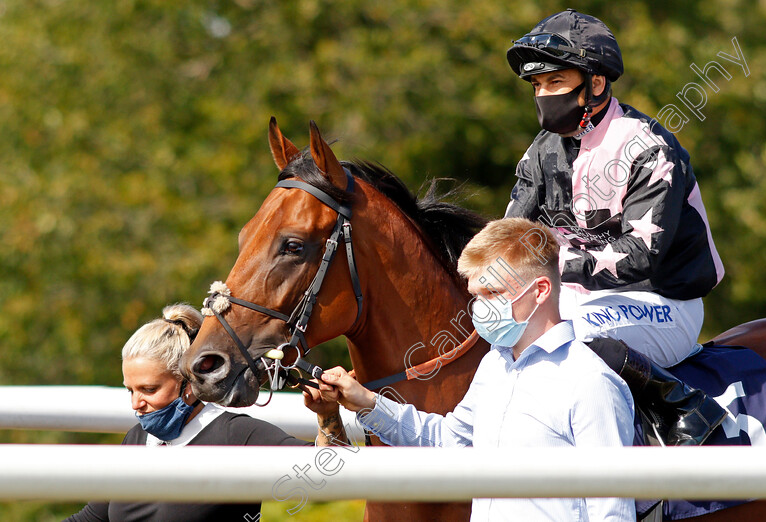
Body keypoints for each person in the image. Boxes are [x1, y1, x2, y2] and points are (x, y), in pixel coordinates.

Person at [504, 9, 727, 445]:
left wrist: (548, 264)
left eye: (555, 82)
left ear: (596, 83)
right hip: (580, 296)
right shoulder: (540, 153)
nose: (543, 96)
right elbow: (512, 234)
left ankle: (678, 403)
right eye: (537, 86)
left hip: (664, 300)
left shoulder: (648, 146)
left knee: (570, 335)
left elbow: (639, 256)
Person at [317, 218, 636, 522]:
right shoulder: (494, 366)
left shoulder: (590, 382)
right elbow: (447, 441)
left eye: (493, 293)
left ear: (540, 290)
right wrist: (367, 403)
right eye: (475, 296)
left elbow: (612, 511)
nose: (480, 309)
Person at [66, 303, 346, 522]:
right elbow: (91, 518)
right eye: (130, 390)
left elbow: (330, 474)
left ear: (188, 384)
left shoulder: (237, 433)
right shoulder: (137, 438)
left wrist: (328, 415)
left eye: (149, 390)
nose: (136, 404)